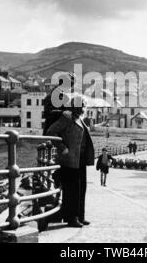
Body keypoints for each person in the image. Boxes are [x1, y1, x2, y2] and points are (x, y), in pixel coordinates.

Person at [46, 95, 95, 228]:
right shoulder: (67, 117)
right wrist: (63, 148)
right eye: (82, 106)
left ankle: (80, 216)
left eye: (84, 106)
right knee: (72, 190)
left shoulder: (79, 119)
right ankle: (71, 218)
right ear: (75, 106)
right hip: (70, 160)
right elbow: (51, 132)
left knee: (81, 189)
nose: (84, 108)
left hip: (80, 159)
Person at [43, 71, 77, 136]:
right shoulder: (51, 96)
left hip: (62, 132)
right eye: (69, 86)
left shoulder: (65, 96)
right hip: (51, 132)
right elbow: (47, 113)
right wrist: (62, 112)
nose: (69, 89)